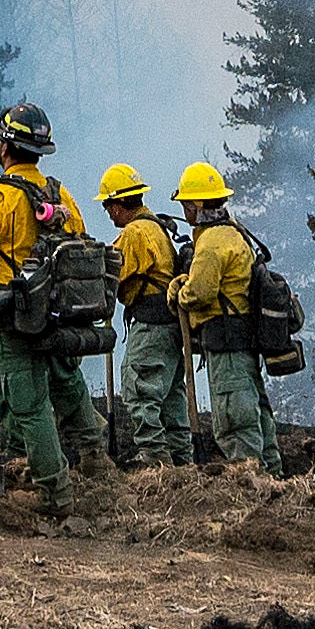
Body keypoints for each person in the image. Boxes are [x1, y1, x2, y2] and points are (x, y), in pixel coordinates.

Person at [0, 105, 107, 516]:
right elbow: (81, 241)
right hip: (60, 311)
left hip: (18, 315)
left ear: (4, 147)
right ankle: (96, 462)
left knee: (28, 403)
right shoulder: (60, 193)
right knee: (68, 383)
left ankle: (56, 496)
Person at [170, 163, 283, 470]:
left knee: (234, 415)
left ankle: (251, 483)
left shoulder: (210, 243)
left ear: (196, 204)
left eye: (185, 204)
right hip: (244, 337)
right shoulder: (234, 232)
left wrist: (179, 291)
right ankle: (273, 477)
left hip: (226, 340)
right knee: (257, 411)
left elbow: (201, 293)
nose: (184, 210)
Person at [101, 164, 181, 466]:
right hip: (170, 325)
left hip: (150, 326)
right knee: (171, 395)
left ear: (119, 203)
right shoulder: (155, 226)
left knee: (139, 391)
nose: (108, 213)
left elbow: (110, 273)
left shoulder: (135, 233)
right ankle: (181, 463)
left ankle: (155, 460)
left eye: (108, 205)